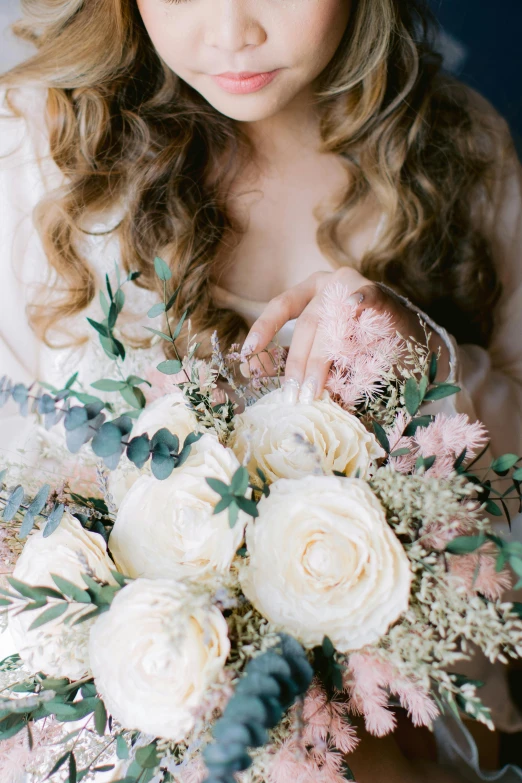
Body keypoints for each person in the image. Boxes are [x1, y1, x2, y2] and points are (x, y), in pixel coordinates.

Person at [0, 0, 521, 781]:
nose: (231, 30)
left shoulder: (457, 147)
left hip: (394, 729)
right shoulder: (41, 147)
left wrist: (419, 352)